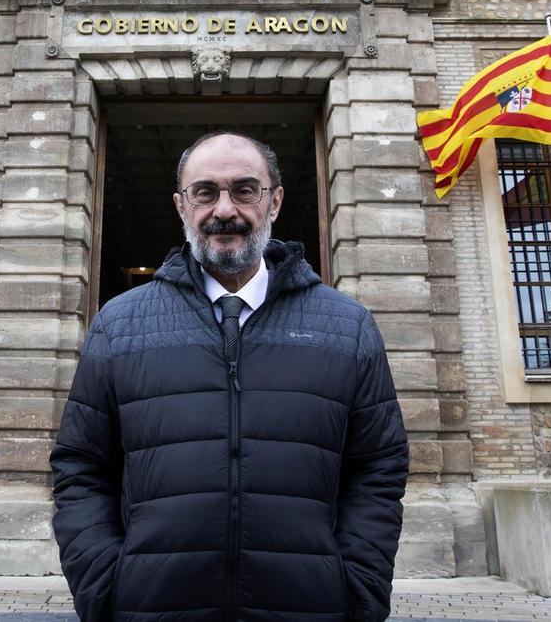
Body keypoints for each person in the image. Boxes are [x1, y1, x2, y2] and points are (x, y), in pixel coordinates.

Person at [50, 131, 409, 621]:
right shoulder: (119, 325)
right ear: (182, 206)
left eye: (244, 190)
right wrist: (105, 587)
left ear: (274, 201)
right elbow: (80, 468)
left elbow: (378, 470)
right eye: (205, 192)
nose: (224, 210)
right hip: (152, 608)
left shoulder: (347, 327)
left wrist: (357, 591)